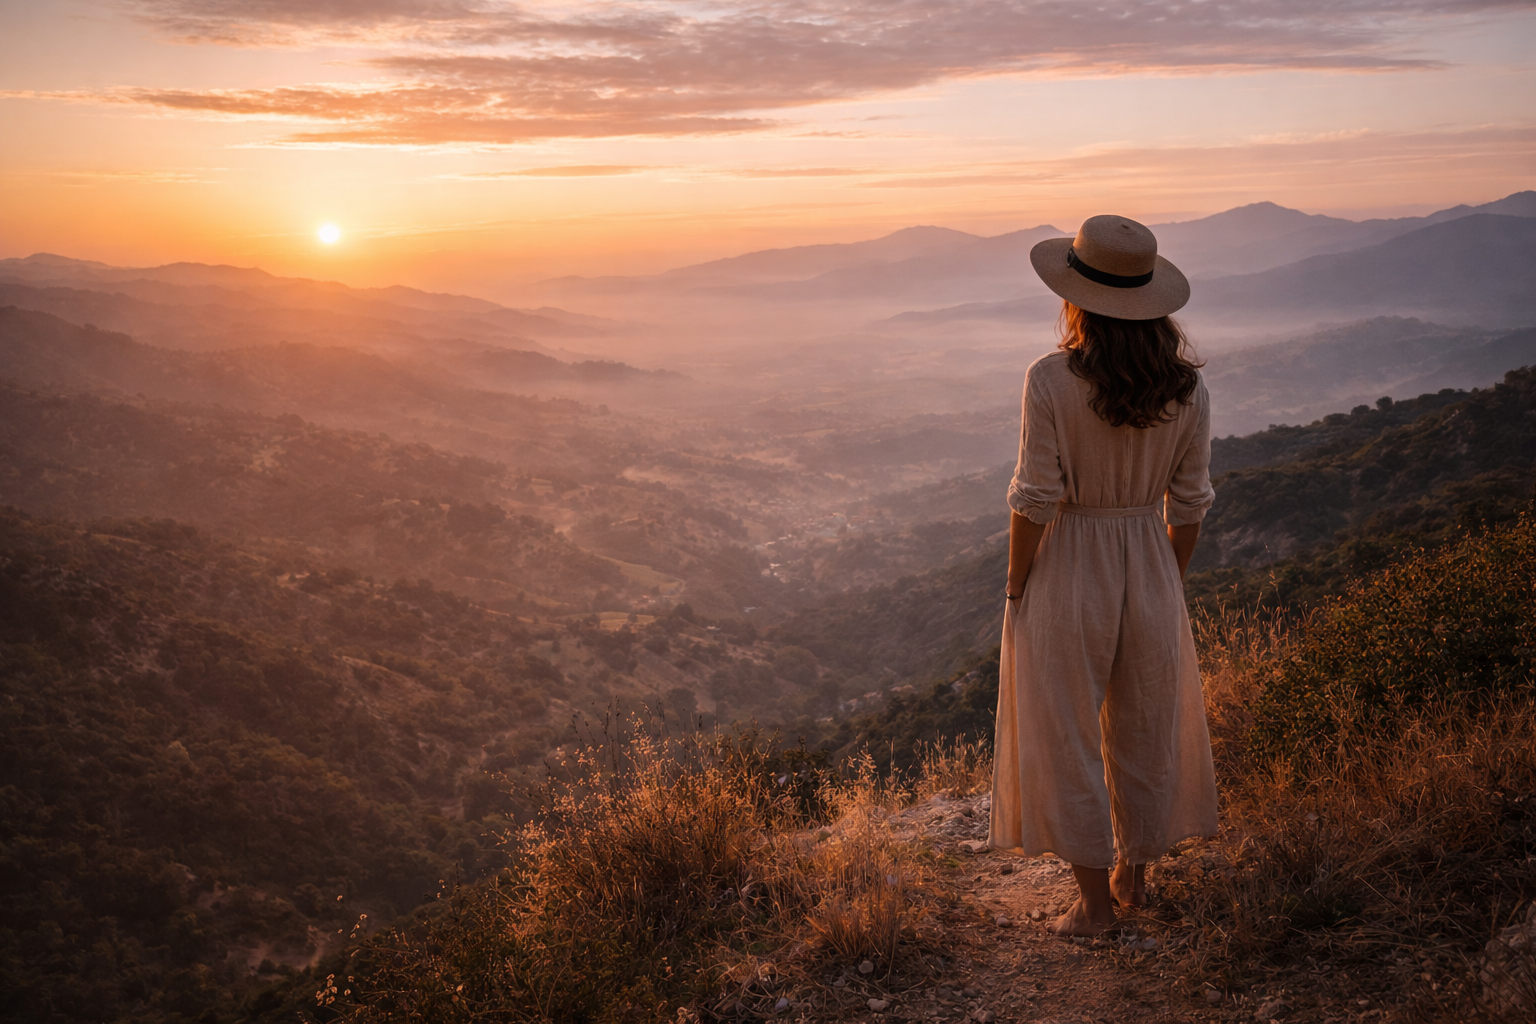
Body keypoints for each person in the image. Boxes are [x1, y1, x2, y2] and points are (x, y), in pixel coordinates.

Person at [987, 214, 1219, 937]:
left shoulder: (1052, 379)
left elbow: (1036, 497)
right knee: (1146, 727)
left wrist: (1018, 583)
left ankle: (1092, 909)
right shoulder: (1187, 389)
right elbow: (1191, 505)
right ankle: (1133, 880)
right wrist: (1164, 578)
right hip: (1149, 557)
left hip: (1070, 563)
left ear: (1076, 297)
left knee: (1066, 734)